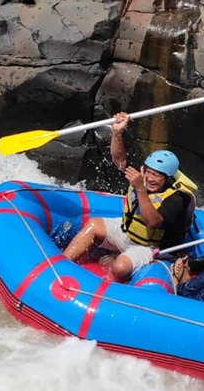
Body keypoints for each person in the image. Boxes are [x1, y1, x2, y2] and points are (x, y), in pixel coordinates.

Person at [62, 111, 196, 283]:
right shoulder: (142, 174)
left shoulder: (177, 199)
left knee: (120, 268)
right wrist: (116, 132)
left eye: (156, 175)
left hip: (149, 246)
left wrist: (140, 189)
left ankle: (117, 272)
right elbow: (120, 160)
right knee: (93, 225)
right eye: (148, 173)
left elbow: (153, 222)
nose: (150, 178)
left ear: (168, 178)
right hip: (127, 232)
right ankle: (62, 265)